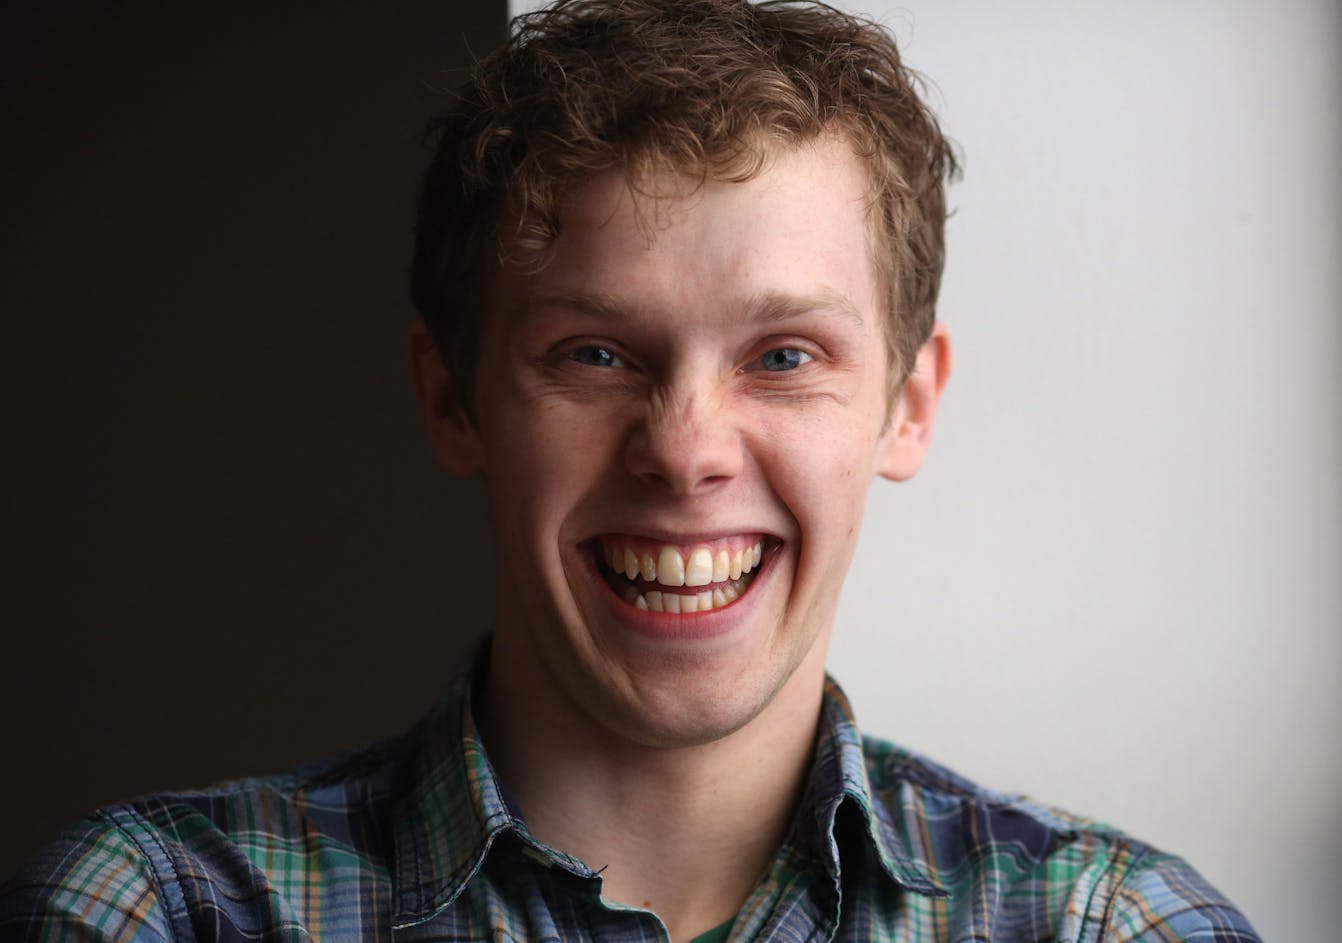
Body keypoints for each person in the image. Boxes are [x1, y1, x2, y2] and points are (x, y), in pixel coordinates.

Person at [0, 1, 1260, 940]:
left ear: (904, 405)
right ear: (453, 398)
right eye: (596, 353)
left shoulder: (1113, 924)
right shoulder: (159, 912)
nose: (686, 449)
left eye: (781, 355)